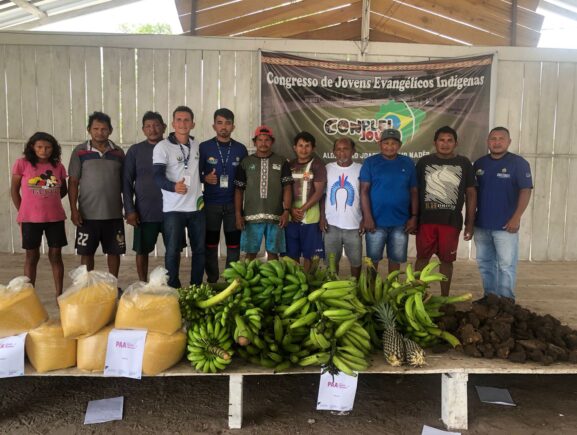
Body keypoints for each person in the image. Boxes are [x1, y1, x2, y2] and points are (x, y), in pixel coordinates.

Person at [414, 126, 476, 296]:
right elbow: (414, 191)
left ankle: (444, 298)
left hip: (451, 222)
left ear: (456, 143)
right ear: (435, 143)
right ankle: (417, 295)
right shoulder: (424, 162)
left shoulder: (464, 163)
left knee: (447, 261)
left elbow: (471, 193)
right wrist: (413, 218)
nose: (445, 144)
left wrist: (470, 223)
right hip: (426, 221)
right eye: (441, 140)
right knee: (422, 259)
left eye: (449, 140)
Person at [474, 127, 533, 301]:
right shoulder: (479, 164)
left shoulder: (519, 163)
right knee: (485, 264)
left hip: (506, 226)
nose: (497, 142)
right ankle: (490, 298)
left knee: (506, 265)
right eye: (493, 138)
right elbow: (472, 194)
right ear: (488, 142)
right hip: (482, 225)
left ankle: (506, 301)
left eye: (501, 138)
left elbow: (526, 190)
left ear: (509, 142)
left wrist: (516, 218)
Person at [11, 132, 68, 297]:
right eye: (40, 147)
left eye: (48, 147)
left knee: (56, 255)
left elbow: (62, 189)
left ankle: (59, 293)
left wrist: (49, 198)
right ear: (32, 147)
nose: (44, 150)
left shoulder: (58, 166)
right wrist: (23, 210)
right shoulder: (22, 164)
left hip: (55, 218)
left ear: (53, 148)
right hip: (29, 219)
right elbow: (14, 190)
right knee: (31, 256)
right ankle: (30, 295)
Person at [153, 106, 205, 288]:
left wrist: (208, 177)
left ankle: (196, 287)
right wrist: (173, 186)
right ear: (173, 123)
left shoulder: (198, 145)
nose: (183, 123)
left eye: (187, 120)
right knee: (173, 251)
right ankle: (173, 287)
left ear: (193, 123)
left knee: (199, 250)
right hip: (173, 209)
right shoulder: (162, 147)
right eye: (179, 120)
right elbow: (157, 177)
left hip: (197, 208)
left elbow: (200, 171)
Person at [68, 112, 125, 277]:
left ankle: (113, 285)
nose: (100, 132)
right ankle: (87, 286)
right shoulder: (79, 152)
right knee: (87, 253)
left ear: (111, 130)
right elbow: (73, 182)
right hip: (87, 215)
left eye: (104, 129)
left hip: (113, 213)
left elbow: (124, 183)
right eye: (96, 128)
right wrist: (74, 210)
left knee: (114, 252)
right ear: (89, 130)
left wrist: (127, 207)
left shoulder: (118, 153)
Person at [199, 108, 248, 283]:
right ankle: (212, 280)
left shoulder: (241, 149)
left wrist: (240, 210)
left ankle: (230, 280)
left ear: (233, 127)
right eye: (220, 123)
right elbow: (195, 174)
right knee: (210, 245)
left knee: (233, 245)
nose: (223, 127)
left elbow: (244, 180)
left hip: (233, 206)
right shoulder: (204, 147)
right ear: (214, 125)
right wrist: (204, 178)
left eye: (227, 123)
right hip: (210, 205)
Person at [360, 129, 417, 273]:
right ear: (380, 144)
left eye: (393, 143)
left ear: (400, 145)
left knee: (395, 261)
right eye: (386, 143)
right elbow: (364, 191)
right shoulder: (370, 162)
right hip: (375, 222)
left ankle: (392, 290)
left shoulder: (408, 162)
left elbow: (414, 191)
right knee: (372, 261)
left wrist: (414, 217)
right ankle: (370, 291)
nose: (389, 146)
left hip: (401, 223)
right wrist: (367, 217)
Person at [234, 125, 293, 261]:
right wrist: (238, 215)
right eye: (260, 140)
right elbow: (238, 190)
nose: (263, 143)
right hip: (250, 217)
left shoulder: (281, 161)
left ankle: (273, 282)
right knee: (250, 254)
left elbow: (287, 188)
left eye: (267, 140)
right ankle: (248, 281)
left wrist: (286, 211)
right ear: (254, 142)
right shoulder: (246, 162)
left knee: (273, 254)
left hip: (276, 217)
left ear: (272, 142)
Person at [123, 111, 167, 282]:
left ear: (163, 127)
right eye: (148, 126)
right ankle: (142, 283)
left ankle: (173, 283)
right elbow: (126, 182)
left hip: (170, 211)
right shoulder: (135, 151)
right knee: (142, 251)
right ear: (143, 130)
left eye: (156, 125)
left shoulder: (172, 147)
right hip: (144, 212)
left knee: (173, 249)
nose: (152, 129)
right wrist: (129, 210)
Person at [320, 137, 363, 278]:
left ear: (353, 151)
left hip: (354, 225)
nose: (342, 152)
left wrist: (365, 219)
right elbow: (322, 195)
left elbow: (366, 196)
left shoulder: (361, 169)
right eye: (338, 149)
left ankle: (355, 287)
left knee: (356, 262)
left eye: (346, 149)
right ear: (333, 152)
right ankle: (333, 287)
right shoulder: (327, 169)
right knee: (331, 262)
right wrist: (322, 218)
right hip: (331, 225)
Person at [286, 131, 327, 271]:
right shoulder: (289, 165)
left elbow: (319, 192)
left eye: (307, 146)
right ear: (294, 147)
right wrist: (291, 210)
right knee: (292, 253)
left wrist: (302, 209)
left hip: (311, 218)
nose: (303, 149)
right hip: (292, 217)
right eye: (300, 145)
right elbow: (284, 190)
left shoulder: (318, 165)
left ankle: (308, 282)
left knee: (310, 255)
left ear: (313, 148)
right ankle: (295, 281)